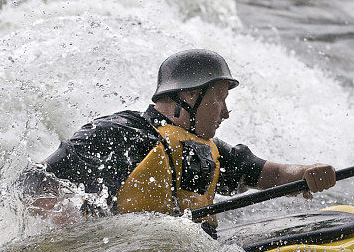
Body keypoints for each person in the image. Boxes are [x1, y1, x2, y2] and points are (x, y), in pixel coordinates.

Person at [29, 49, 335, 236]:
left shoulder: (209, 150)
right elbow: (35, 179)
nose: (226, 113)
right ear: (190, 95)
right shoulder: (117, 134)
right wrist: (69, 229)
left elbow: (274, 174)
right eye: (219, 99)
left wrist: (306, 173)